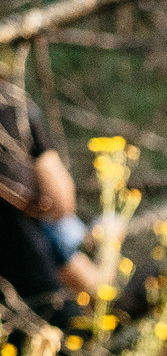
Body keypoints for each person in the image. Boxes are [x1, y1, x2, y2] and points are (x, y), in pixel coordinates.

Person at [0, 78, 101, 323]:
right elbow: (61, 202)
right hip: (30, 256)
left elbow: (61, 204)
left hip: (42, 233)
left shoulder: (13, 103)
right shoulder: (12, 103)